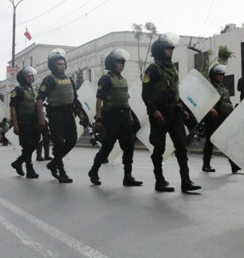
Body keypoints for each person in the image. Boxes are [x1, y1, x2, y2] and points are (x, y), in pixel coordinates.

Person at [142, 33, 201, 193]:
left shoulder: (172, 69)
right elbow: (145, 94)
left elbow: (175, 92)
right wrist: (153, 111)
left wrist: (182, 109)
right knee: (159, 148)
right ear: (159, 51)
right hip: (159, 115)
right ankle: (159, 181)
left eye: (171, 49)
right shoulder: (152, 70)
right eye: (167, 49)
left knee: (181, 147)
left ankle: (186, 181)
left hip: (174, 113)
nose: (170, 51)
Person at [88, 49, 142, 187]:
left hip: (124, 117)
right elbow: (99, 99)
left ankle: (128, 177)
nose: (121, 65)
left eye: (122, 63)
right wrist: (99, 119)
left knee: (129, 147)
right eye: (118, 62)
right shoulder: (106, 79)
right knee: (107, 147)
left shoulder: (123, 80)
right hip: (110, 117)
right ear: (112, 64)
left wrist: (130, 117)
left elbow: (126, 101)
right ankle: (93, 171)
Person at [37, 49, 89, 183]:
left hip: (69, 115)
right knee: (59, 144)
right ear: (53, 66)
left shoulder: (69, 79)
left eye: (63, 64)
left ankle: (53, 163)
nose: (62, 66)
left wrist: (81, 114)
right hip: (55, 116)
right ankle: (61, 172)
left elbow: (74, 99)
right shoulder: (48, 80)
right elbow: (39, 99)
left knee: (71, 141)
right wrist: (41, 119)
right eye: (59, 64)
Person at [202, 63, 241, 174]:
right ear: (213, 75)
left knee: (227, 141)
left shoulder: (224, 88)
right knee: (210, 142)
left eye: (222, 75)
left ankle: (234, 165)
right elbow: (203, 100)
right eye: (219, 75)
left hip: (223, 118)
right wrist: (211, 109)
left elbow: (227, 102)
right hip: (212, 119)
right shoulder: (209, 87)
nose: (221, 77)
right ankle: (206, 164)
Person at [9, 66, 40, 179]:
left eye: (32, 76)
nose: (31, 78)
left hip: (34, 122)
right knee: (27, 146)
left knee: (35, 143)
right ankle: (29, 169)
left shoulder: (33, 91)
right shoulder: (18, 91)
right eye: (28, 76)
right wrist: (15, 124)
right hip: (23, 122)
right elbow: (12, 107)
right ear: (22, 78)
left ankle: (18, 163)